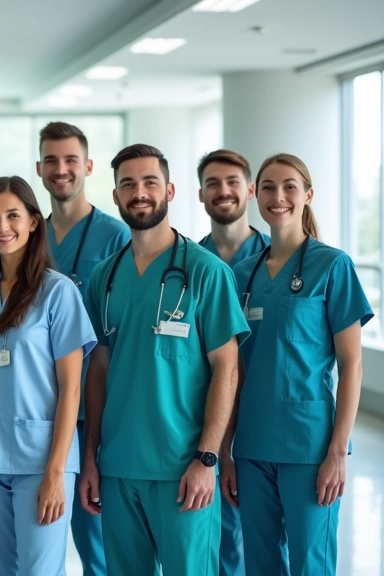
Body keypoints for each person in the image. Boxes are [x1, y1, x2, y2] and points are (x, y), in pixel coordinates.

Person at [79, 144, 250, 576]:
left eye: (150, 182)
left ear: (169, 190)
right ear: (115, 196)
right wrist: (91, 457)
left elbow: (226, 368)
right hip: (118, 465)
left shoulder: (206, 272)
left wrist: (207, 458)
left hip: (183, 467)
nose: (139, 193)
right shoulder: (105, 277)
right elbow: (97, 368)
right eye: (128, 185)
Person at [227, 153, 372, 576]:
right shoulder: (243, 275)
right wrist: (226, 451)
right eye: (268, 187)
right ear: (255, 195)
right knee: (261, 563)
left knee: (312, 563)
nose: (278, 196)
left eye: (290, 186)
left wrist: (337, 451)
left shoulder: (333, 265)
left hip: (310, 448)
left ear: (308, 195)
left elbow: (352, 364)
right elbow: (234, 371)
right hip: (252, 446)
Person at [0, 175, 96, 574]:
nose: (2, 227)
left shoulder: (58, 292)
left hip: (40, 460)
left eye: (13, 215)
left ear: (33, 221)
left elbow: (72, 390)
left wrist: (55, 472)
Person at [36, 121, 129, 576]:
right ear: (38, 168)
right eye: (51, 160)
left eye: (71, 160)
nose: (61, 169)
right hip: (38, 407)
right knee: (41, 532)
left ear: (88, 166)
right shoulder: (29, 235)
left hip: (97, 409)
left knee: (99, 537)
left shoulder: (116, 236)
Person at [193, 148, 272, 575]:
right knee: (214, 533)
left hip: (265, 419)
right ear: (200, 195)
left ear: (250, 191)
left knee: (260, 537)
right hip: (203, 415)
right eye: (212, 184)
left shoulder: (279, 258)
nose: (223, 191)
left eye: (232, 183)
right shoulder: (189, 264)